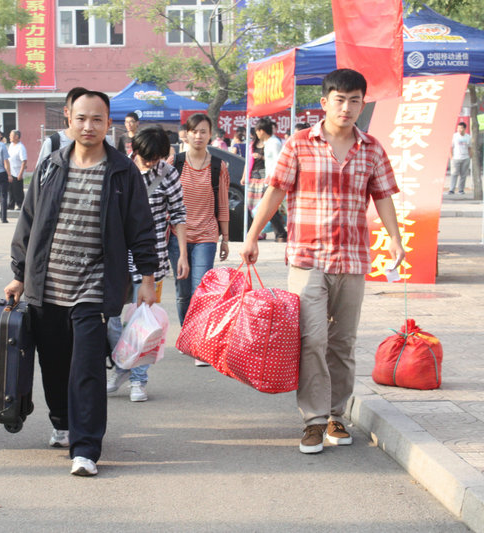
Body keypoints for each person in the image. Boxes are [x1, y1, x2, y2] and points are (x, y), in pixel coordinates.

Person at [240, 68, 405, 455]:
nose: (346, 108)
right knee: (313, 339)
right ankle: (313, 420)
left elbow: (382, 196)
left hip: (352, 260)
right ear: (325, 102)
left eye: (354, 101)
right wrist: (251, 235)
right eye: (340, 100)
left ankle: (336, 415)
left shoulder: (372, 148)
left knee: (343, 343)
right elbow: (275, 191)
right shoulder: (299, 144)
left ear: (362, 104)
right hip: (307, 258)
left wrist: (396, 240)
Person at [5, 90, 157, 477]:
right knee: (54, 364)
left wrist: (148, 277)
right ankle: (62, 422)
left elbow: (141, 227)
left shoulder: (122, 171)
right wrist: (19, 274)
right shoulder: (51, 165)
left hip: (94, 286)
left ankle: (86, 447)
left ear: (109, 123)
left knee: (87, 367)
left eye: (97, 119)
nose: (89, 126)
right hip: (47, 284)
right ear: (68, 120)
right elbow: (28, 221)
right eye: (81, 118)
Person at [106, 126, 188, 401]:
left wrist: (183, 254)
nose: (151, 162)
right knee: (111, 320)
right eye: (147, 157)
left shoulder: (168, 174)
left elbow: (178, 214)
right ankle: (122, 366)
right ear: (135, 149)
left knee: (142, 323)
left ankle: (138, 380)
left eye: (156, 158)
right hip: (117, 259)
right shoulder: (118, 169)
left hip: (151, 261)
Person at [169, 113, 230, 368]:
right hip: (177, 236)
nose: (198, 136)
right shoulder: (175, 163)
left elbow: (223, 204)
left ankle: (198, 344)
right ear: (187, 134)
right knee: (183, 292)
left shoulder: (218, 166)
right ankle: (187, 335)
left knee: (202, 291)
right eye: (194, 131)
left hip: (207, 235)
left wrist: (225, 239)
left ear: (210, 135)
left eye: (203, 131)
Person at [254, 117, 287, 242]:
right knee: (270, 209)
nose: (257, 134)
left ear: (262, 131)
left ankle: (281, 233)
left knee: (268, 207)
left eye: (257, 131)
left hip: (274, 180)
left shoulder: (274, 143)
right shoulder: (268, 143)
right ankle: (280, 233)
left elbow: (279, 162)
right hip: (269, 179)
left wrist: (274, 178)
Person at [449, 122, 472, 195]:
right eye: (458, 128)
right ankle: (451, 189)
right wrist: (451, 157)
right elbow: (451, 147)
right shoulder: (454, 136)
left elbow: (470, 148)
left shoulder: (468, 137)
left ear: (464, 129)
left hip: (465, 158)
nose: (459, 129)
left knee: (463, 175)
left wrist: (470, 156)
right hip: (456, 158)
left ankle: (461, 190)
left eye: (461, 128)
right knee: (454, 174)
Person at [7, 129, 27, 210]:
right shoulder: (11, 145)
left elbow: (24, 161)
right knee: (11, 190)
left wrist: (20, 174)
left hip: (17, 172)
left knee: (18, 190)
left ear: (16, 136)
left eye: (11, 135)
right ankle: (11, 205)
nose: (9, 137)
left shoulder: (21, 147)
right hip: (11, 171)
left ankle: (20, 205)